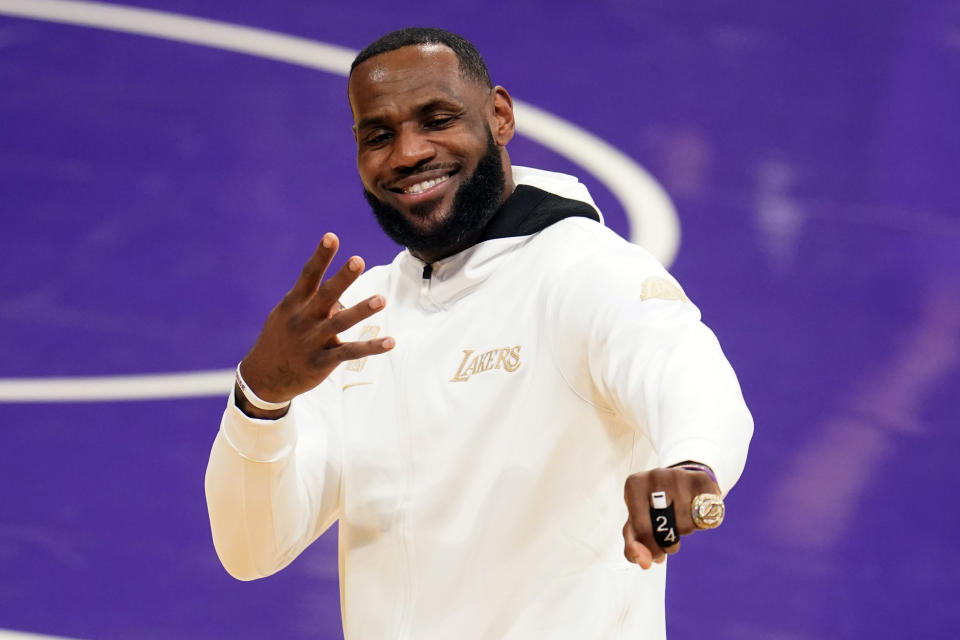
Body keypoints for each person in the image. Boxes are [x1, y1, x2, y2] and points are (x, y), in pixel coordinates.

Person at [205, 27, 753, 639]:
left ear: (499, 116)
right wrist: (261, 399)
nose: (408, 153)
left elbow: (685, 368)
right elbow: (250, 549)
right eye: (378, 135)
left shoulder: (585, 271)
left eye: (437, 119)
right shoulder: (361, 313)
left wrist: (692, 463)